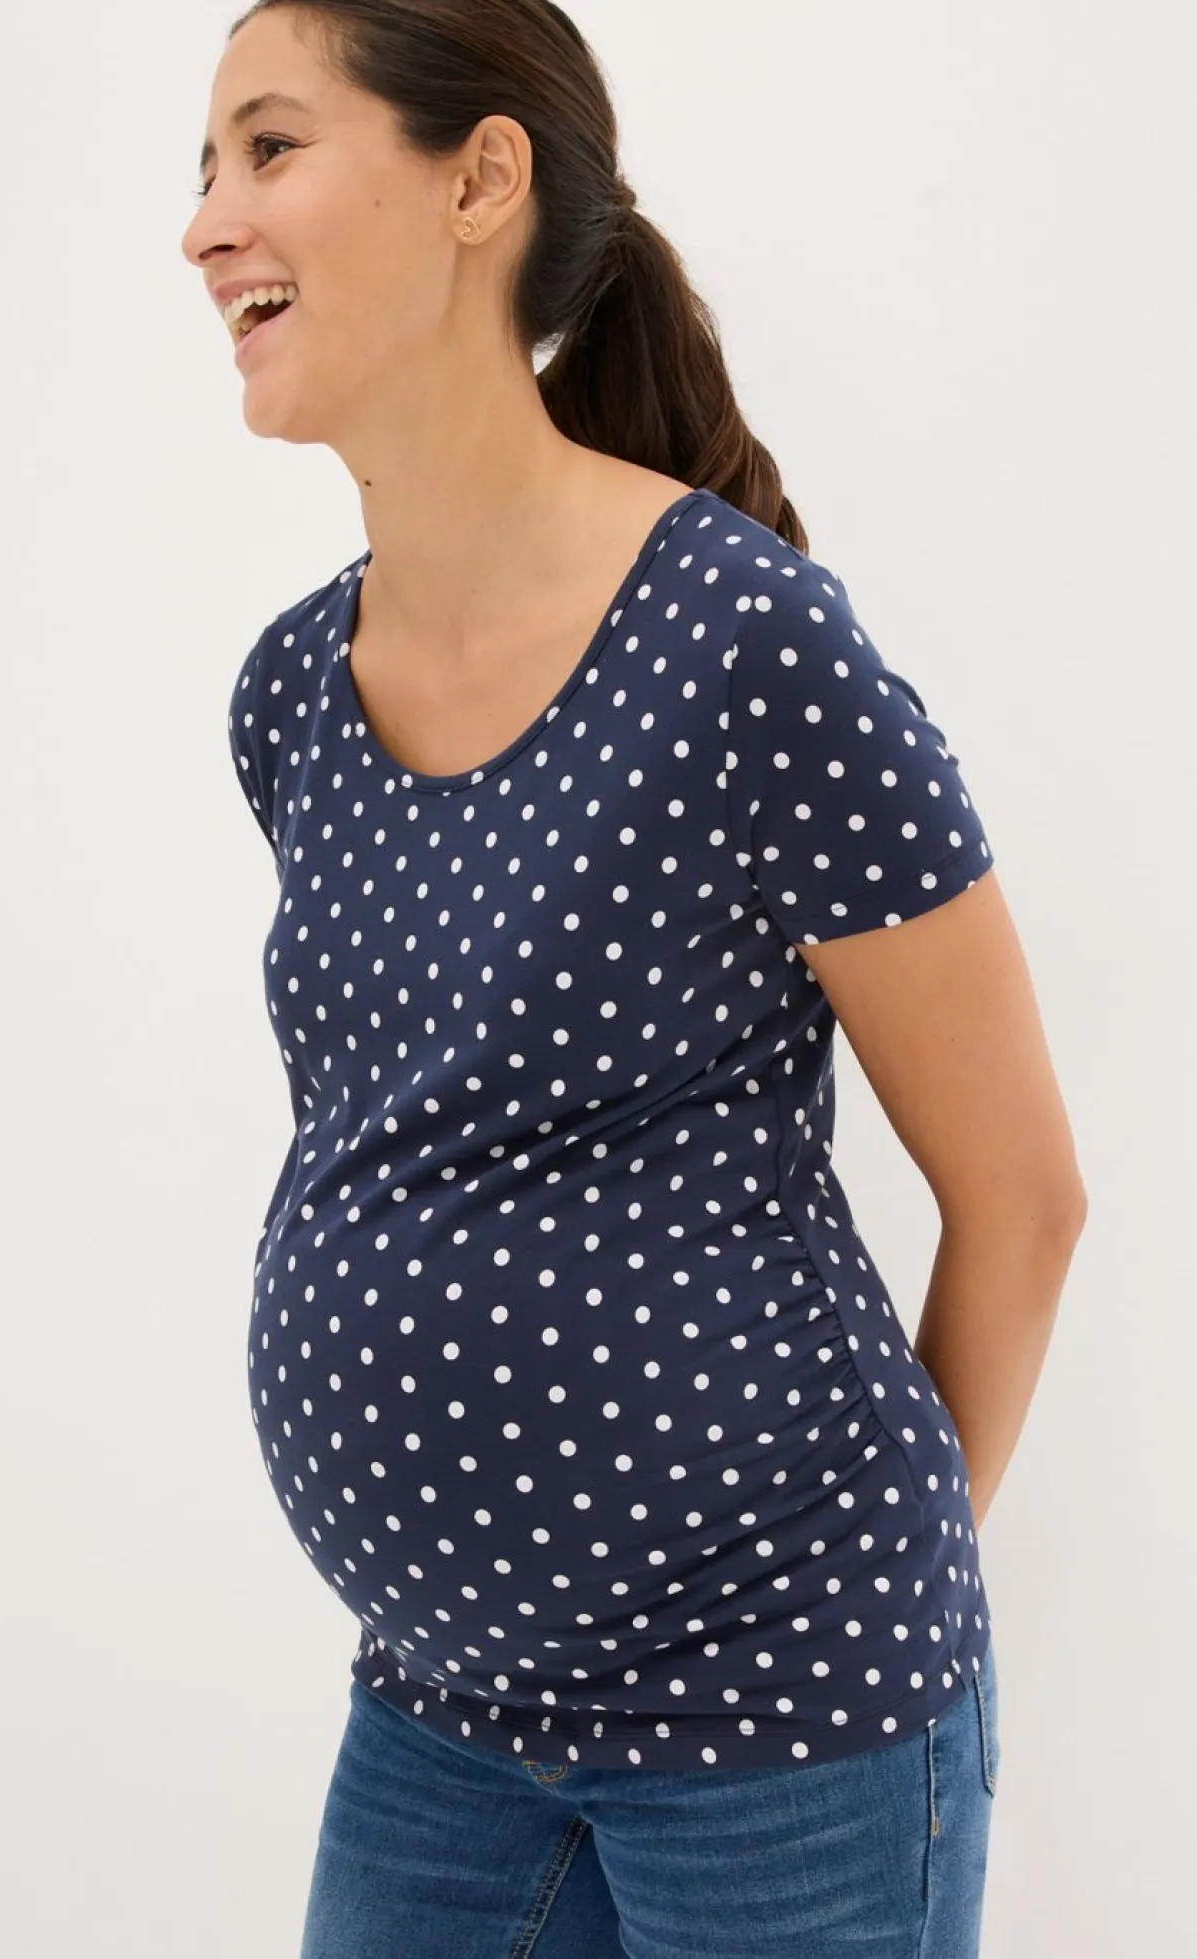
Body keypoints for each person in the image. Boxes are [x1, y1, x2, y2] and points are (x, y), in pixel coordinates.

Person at [183, 4, 1087, 1954]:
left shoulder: (744, 646)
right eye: (205, 168)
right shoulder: (291, 693)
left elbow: (1022, 1196)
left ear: (479, 179)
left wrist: (858, 1600)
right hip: (441, 1711)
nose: (205, 223)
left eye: (269, 146)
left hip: (781, 1732)